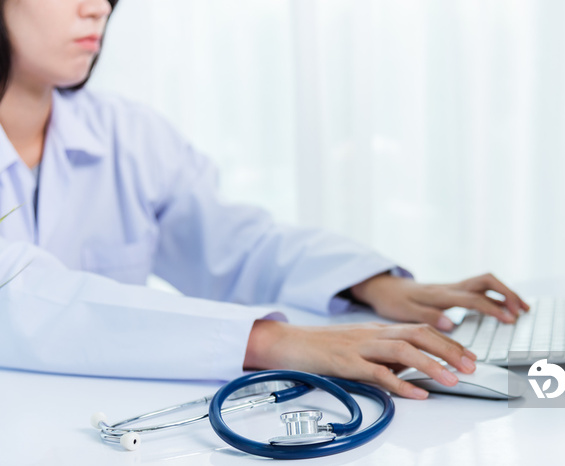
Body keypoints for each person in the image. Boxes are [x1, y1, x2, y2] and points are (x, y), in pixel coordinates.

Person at [0, 0, 529, 400]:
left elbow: (233, 245)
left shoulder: (125, 133)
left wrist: (372, 285)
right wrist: (272, 341)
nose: (98, 7)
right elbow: (19, 301)